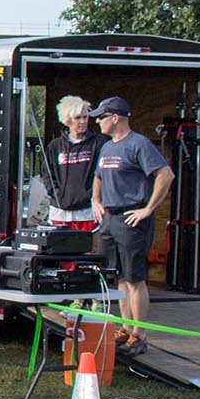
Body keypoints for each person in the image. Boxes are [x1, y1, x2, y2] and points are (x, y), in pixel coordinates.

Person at [89, 96, 174, 356]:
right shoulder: (106, 147)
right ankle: (126, 329)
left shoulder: (139, 144)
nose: (97, 122)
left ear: (116, 118)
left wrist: (148, 209)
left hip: (131, 218)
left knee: (135, 278)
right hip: (110, 218)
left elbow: (165, 174)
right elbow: (99, 176)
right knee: (121, 278)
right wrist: (95, 200)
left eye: (101, 117)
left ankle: (139, 334)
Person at [43, 95, 106, 231]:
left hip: (88, 211)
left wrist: (91, 195)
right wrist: (57, 194)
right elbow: (47, 174)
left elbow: (104, 174)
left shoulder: (99, 143)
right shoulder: (55, 146)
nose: (82, 121)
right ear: (67, 119)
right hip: (60, 212)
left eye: (85, 117)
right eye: (77, 118)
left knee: (89, 244)